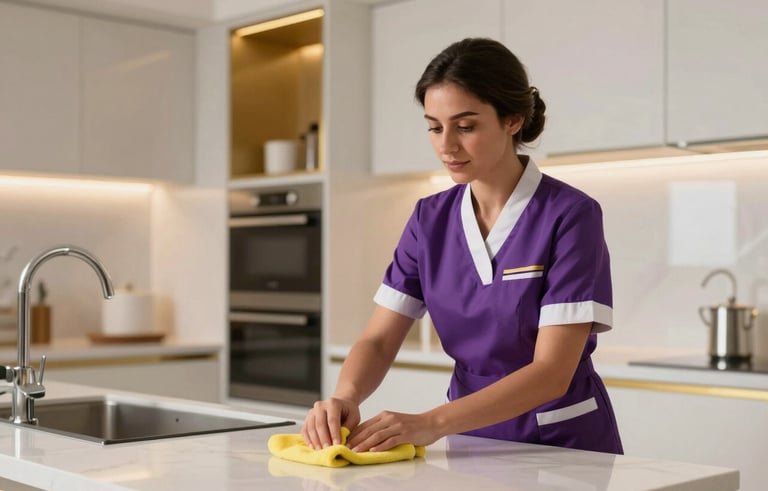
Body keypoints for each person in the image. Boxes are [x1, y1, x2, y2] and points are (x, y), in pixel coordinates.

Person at [302, 38, 623, 455]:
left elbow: (550, 372)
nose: (446, 145)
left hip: (562, 442)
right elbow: (380, 339)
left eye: (465, 126)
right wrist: (346, 396)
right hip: (471, 438)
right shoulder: (428, 219)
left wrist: (430, 422)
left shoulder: (570, 214)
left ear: (512, 120)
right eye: (435, 127)